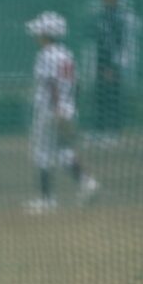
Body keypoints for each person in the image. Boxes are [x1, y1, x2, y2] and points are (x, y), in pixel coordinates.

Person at [24, 11, 99, 213]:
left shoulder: (46, 54)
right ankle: (87, 182)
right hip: (68, 108)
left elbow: (51, 83)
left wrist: (56, 108)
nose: (37, 35)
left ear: (46, 33)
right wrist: (68, 108)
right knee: (64, 151)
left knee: (42, 152)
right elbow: (76, 85)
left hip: (50, 110)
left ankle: (46, 200)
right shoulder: (67, 54)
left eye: (40, 31)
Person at [94, 0, 125, 143]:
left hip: (113, 63)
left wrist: (112, 66)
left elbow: (118, 44)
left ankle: (113, 132)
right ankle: (100, 131)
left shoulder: (119, 17)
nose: (105, 0)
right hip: (101, 61)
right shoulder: (102, 16)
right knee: (100, 97)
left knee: (112, 97)